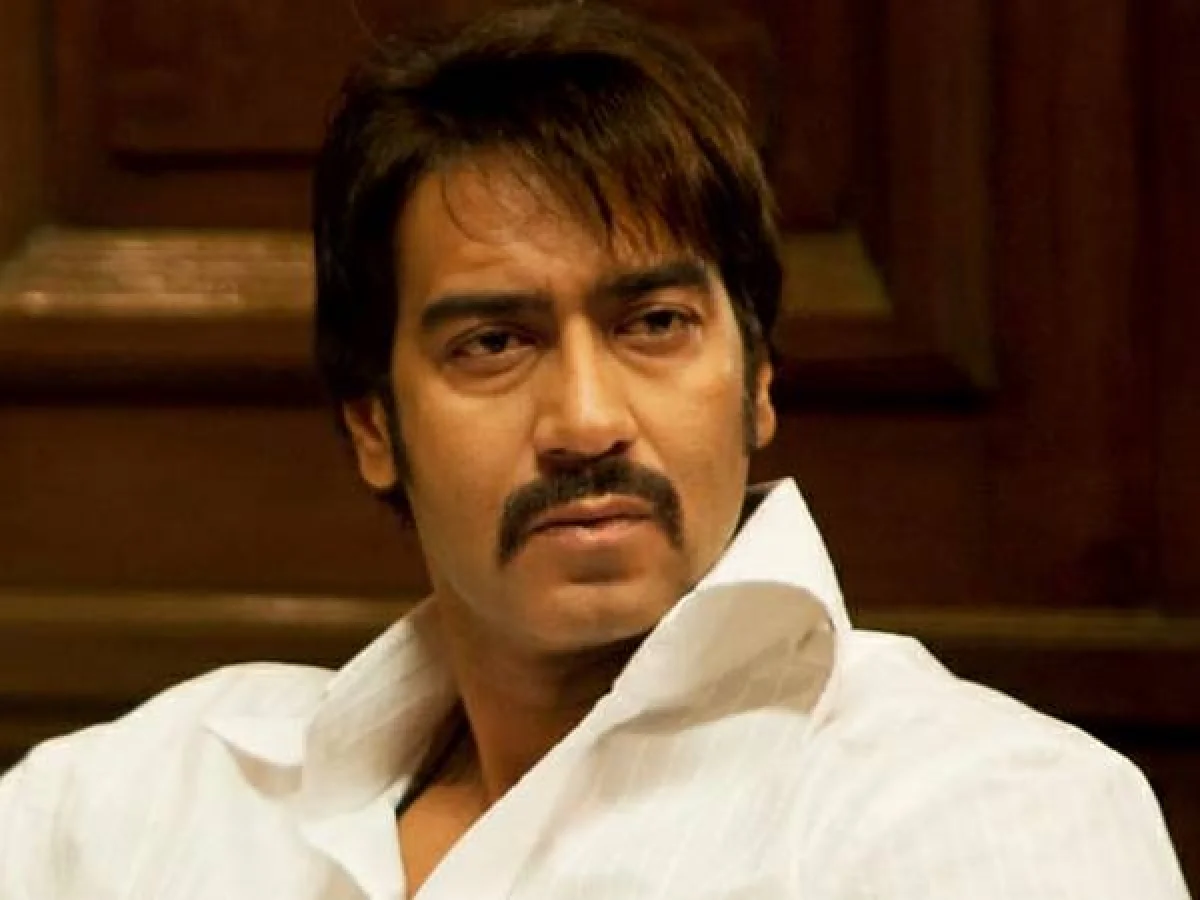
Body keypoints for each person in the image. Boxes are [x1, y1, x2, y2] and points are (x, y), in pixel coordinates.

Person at [0, 3, 1190, 898]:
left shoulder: (976, 812)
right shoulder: (124, 807)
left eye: (654, 324)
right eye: (494, 342)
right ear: (373, 423)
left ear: (757, 379)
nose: (584, 419)